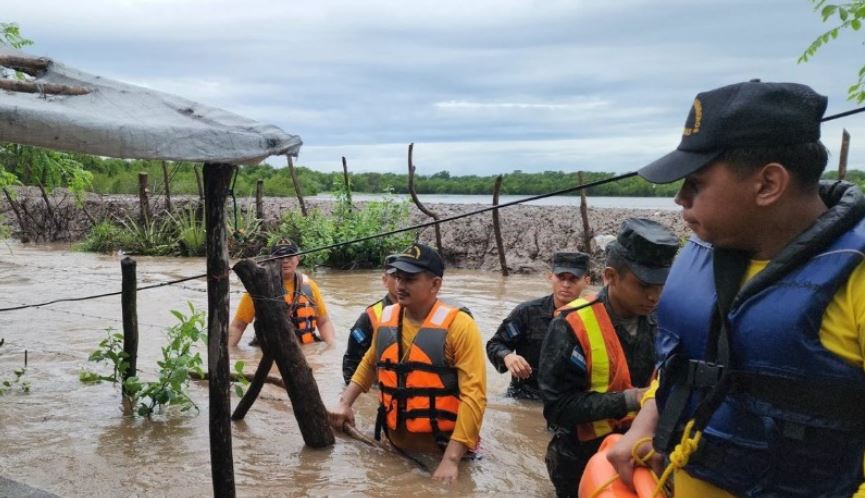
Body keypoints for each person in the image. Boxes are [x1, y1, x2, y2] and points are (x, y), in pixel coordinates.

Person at [607, 80, 865, 498]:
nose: (679, 200)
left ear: (767, 184)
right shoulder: (707, 251)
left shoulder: (856, 278)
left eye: (696, 183)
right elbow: (684, 360)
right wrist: (650, 414)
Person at [538, 218, 678, 497]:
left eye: (661, 285)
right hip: (581, 459)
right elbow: (558, 409)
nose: (654, 296)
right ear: (610, 276)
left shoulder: (668, 318)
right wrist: (632, 398)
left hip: (646, 452)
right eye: (643, 285)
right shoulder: (570, 324)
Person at [328, 243, 487, 484]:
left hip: (444, 454)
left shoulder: (460, 327)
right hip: (392, 448)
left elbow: (474, 396)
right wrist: (344, 403)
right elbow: (370, 363)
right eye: (397, 277)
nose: (400, 286)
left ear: (435, 284)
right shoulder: (386, 318)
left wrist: (452, 460)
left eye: (410, 279)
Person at [486, 251, 592, 400]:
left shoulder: (594, 318)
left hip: (570, 401)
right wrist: (507, 356)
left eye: (573, 279)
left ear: (586, 281)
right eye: (561, 277)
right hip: (524, 396)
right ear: (550, 277)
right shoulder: (527, 313)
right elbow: (495, 344)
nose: (566, 285)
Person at [228, 239, 336, 347]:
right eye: (279, 257)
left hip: (308, 351)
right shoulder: (258, 289)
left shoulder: (310, 286)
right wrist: (229, 352)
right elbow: (238, 326)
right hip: (272, 354)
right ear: (271, 261)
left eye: (289, 256)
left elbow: (323, 322)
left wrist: (331, 346)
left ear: (298, 259)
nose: (285, 261)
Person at [341, 254, 400, 384]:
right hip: (380, 389)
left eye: (408, 277)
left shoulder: (422, 312)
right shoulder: (369, 317)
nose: (401, 282)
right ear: (385, 280)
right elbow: (351, 364)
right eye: (396, 276)